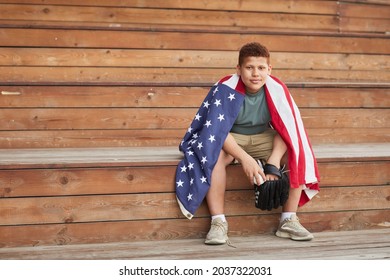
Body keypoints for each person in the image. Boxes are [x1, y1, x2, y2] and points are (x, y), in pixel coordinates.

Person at [175, 42, 320, 245]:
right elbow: (217, 131)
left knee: (295, 151)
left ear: (269, 69)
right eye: (249, 67)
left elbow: (289, 129)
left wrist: (273, 162)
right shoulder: (226, 88)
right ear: (238, 69)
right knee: (213, 157)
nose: (255, 74)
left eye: (261, 68)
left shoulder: (277, 88)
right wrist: (246, 159)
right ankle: (218, 222)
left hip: (262, 136)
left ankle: (288, 220)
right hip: (230, 137)